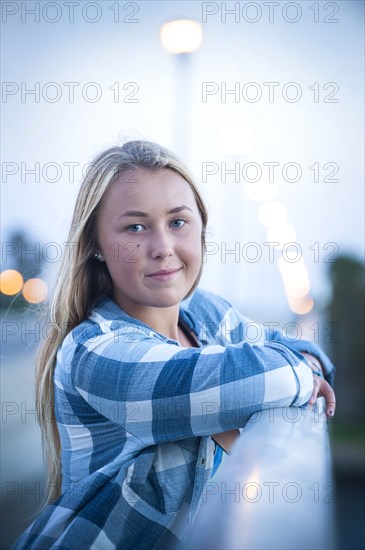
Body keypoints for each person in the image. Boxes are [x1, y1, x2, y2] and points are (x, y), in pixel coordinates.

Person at [14, 140, 336, 550]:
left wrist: (302, 362)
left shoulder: (205, 314)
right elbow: (266, 373)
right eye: (135, 227)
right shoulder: (94, 352)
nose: (163, 247)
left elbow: (295, 349)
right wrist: (300, 370)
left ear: (202, 226)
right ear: (96, 245)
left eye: (178, 222)